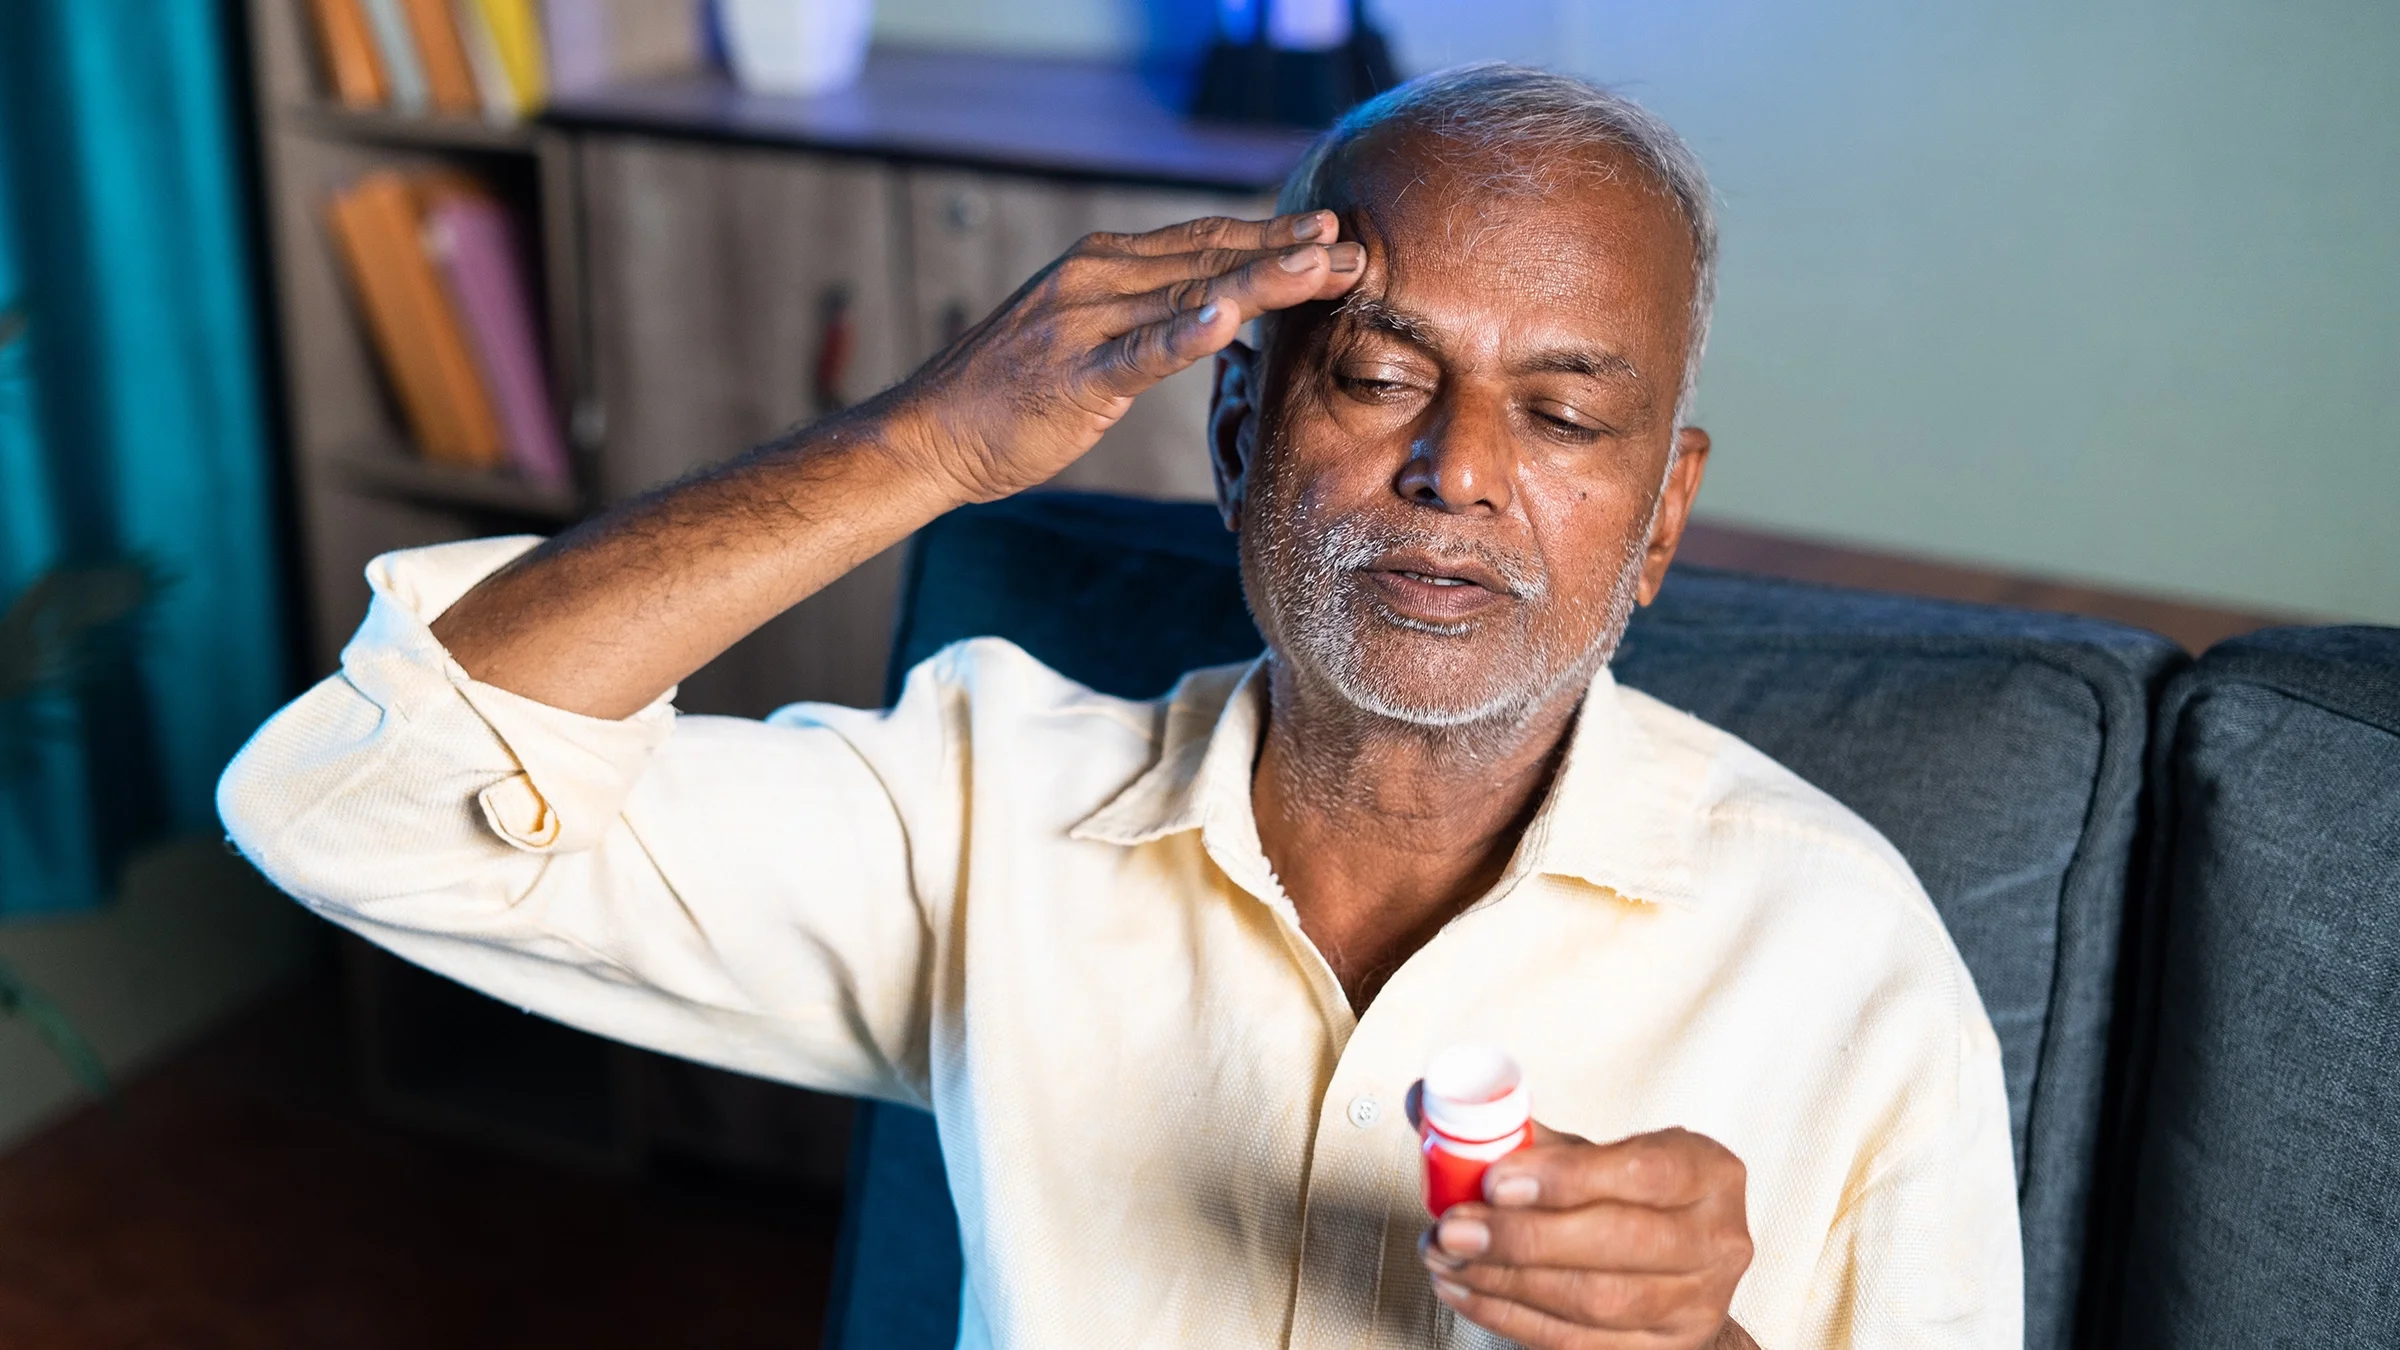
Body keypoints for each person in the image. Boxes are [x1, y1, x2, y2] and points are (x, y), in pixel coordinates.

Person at [219, 64, 2019, 1349]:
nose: (1456, 470)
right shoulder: (987, 809)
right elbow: (353, 811)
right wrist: (918, 437)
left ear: (1661, 515)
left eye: (1561, 417)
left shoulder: (1840, 950)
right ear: (1238, 437)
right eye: (1379, 376)